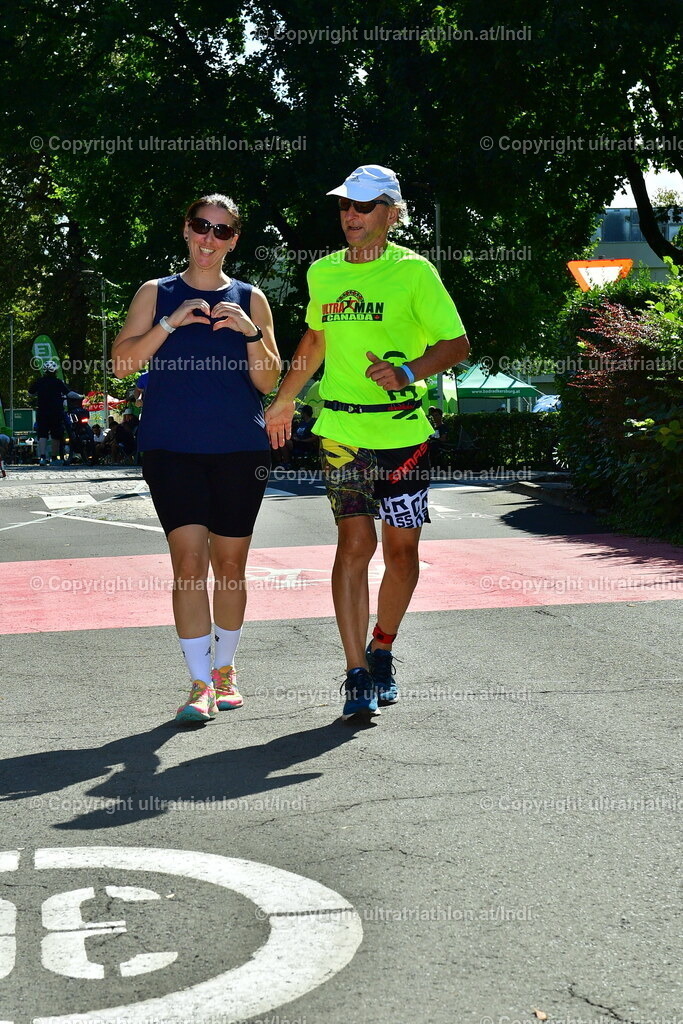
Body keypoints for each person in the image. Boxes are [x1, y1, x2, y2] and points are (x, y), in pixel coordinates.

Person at [266, 164, 469, 720]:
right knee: (355, 546)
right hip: (342, 431)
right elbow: (315, 339)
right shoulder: (324, 272)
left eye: (363, 207)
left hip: (404, 435)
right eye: (344, 207)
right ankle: (356, 671)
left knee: (402, 553)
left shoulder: (415, 273)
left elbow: (456, 345)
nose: (350, 216)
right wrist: (285, 399)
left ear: (391, 213)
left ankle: (382, 650)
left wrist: (408, 374)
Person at [112, 193, 280, 724]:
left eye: (223, 231)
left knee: (230, 567)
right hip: (170, 447)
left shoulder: (251, 298)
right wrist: (170, 324)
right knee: (188, 563)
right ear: (186, 230)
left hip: (240, 449)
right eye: (202, 226)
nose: (210, 238)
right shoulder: (155, 293)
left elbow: (269, 379)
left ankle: (227, 671)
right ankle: (198, 683)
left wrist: (251, 333)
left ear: (234, 240)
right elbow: (120, 365)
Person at [28, 361, 70, 465]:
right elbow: (68, 393)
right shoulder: (58, 382)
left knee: (42, 434)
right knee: (56, 434)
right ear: (55, 371)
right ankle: (54, 458)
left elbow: (30, 393)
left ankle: (42, 457)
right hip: (56, 411)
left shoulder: (39, 381)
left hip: (42, 411)